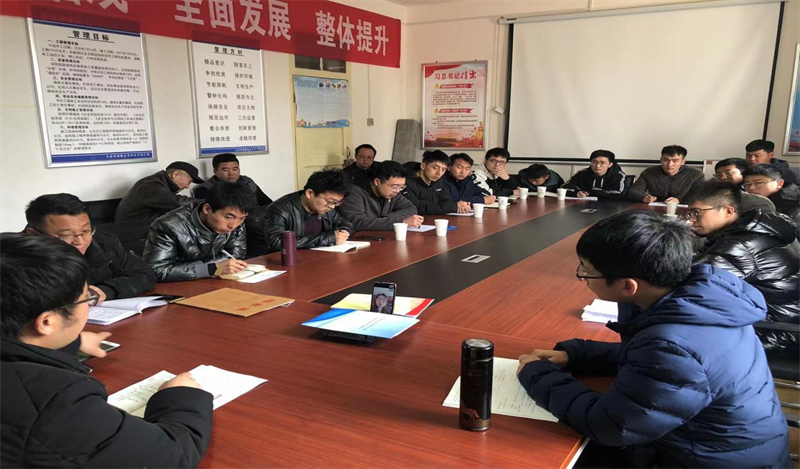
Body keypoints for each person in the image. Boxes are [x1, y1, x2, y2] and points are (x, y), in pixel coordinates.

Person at [516, 210, 790, 468]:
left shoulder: (673, 345)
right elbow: (653, 362)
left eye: (586, 271)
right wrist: (577, 355)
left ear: (628, 286)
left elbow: (612, 425)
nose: (583, 277)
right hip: (721, 444)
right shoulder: (698, 298)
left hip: (703, 460)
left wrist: (536, 375)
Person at [0, 233, 213, 468]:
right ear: (47, 322)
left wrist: (72, 342)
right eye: (85, 299)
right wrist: (181, 397)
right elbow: (172, 455)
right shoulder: (54, 403)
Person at [686, 181, 800, 357]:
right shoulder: (752, 232)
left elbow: (687, 283)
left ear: (728, 211)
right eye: (689, 213)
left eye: (697, 213)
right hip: (772, 320)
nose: (690, 220)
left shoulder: (740, 245)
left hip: (771, 331)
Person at [24, 194, 156, 303]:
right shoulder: (14, 260)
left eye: (85, 231)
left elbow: (144, 273)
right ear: (33, 234)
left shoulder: (104, 243)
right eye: (66, 235)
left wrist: (104, 291)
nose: (80, 241)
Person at [143, 183, 253, 282]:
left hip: (213, 282)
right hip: (179, 287)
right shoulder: (169, 226)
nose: (233, 225)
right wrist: (210, 268)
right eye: (228, 217)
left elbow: (236, 254)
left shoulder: (236, 223)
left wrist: (214, 267)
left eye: (242, 218)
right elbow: (157, 270)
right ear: (207, 209)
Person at [250, 169, 354, 256]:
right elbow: (276, 242)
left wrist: (343, 233)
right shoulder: (280, 209)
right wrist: (328, 238)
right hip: (288, 262)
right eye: (330, 201)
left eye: (336, 202)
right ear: (309, 193)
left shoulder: (326, 208)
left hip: (318, 258)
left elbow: (346, 224)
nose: (332, 207)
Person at [339, 160, 423, 231]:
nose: (397, 191)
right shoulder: (353, 192)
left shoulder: (393, 192)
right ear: (377, 182)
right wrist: (400, 223)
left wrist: (384, 219)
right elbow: (356, 222)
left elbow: (410, 208)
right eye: (394, 186)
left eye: (401, 187)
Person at [115, 161, 204, 223]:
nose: (188, 186)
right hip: (131, 234)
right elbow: (177, 202)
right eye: (189, 181)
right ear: (175, 174)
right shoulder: (149, 185)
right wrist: (207, 202)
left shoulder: (157, 183)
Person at [626, 145, 703, 203]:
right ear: (661, 160)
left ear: (683, 162)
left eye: (675, 161)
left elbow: (700, 196)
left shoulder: (696, 175)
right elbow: (633, 190)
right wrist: (643, 197)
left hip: (684, 209)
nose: (670, 165)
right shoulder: (649, 172)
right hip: (655, 208)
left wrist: (679, 199)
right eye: (666, 160)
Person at [193, 153, 272, 207]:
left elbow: (267, 204)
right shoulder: (206, 189)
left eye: (235, 169)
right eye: (225, 170)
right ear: (215, 171)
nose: (231, 173)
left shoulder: (247, 182)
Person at [402, 150, 458, 215]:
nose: (439, 173)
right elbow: (414, 208)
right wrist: (444, 206)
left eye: (443, 170)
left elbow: (450, 202)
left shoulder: (439, 182)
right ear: (423, 166)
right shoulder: (405, 182)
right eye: (435, 168)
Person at [743, 164, 800, 228]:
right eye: (747, 183)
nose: (751, 188)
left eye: (759, 183)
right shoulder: (746, 200)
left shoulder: (793, 206)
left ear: (779, 183)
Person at [563, 150, 627, 199]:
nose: (597, 166)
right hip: (583, 205)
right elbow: (564, 187)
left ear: (610, 164)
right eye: (594, 162)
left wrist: (591, 192)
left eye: (602, 163)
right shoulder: (582, 173)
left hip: (610, 207)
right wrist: (577, 193)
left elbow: (620, 193)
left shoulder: (619, 176)